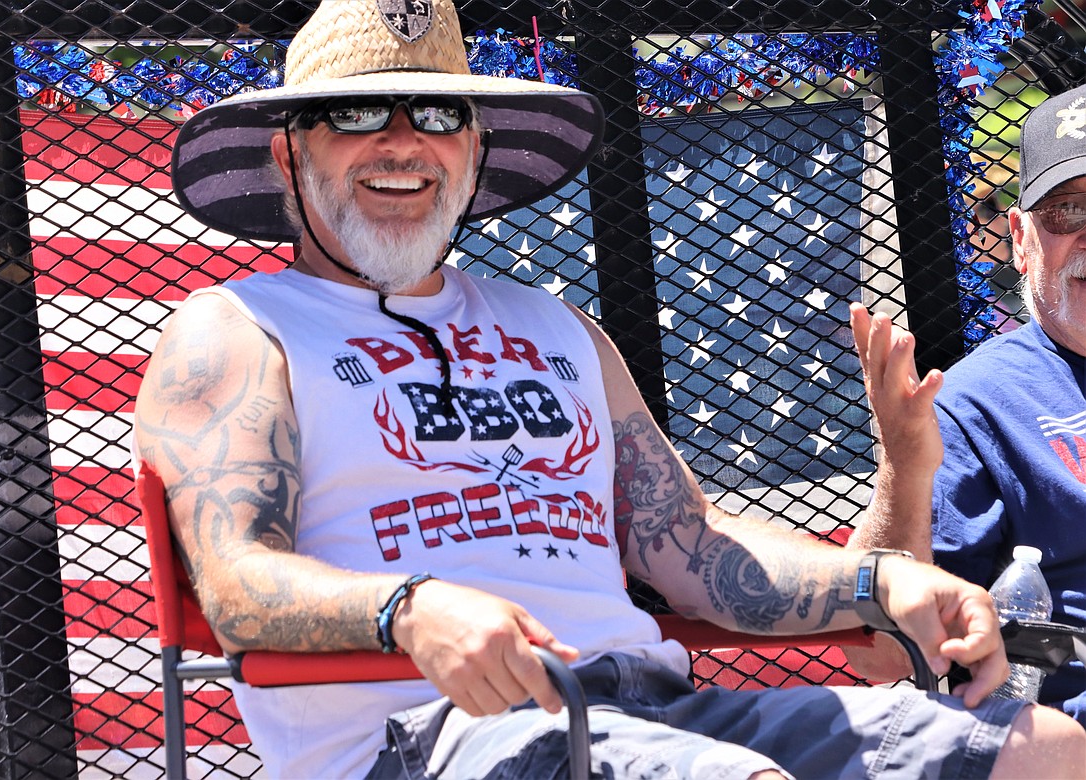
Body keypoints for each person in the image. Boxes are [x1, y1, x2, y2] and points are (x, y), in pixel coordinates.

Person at [133, 1, 1086, 776]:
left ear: (473, 153)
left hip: (654, 706)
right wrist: (413, 608)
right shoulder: (236, 330)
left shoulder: (561, 330)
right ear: (286, 151)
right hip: (436, 737)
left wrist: (885, 582)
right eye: (353, 115)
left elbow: (694, 554)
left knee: (1043, 753)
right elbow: (235, 584)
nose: (401, 143)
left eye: (436, 116)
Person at [845, 83, 1086, 726]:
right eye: (1068, 210)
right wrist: (903, 465)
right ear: (1020, 237)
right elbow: (879, 654)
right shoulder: (976, 405)